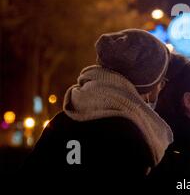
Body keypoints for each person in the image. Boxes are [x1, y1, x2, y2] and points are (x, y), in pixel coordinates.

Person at [20, 29, 173, 180]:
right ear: (147, 82)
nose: (161, 87)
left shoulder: (61, 121)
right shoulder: (132, 134)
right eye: (161, 79)